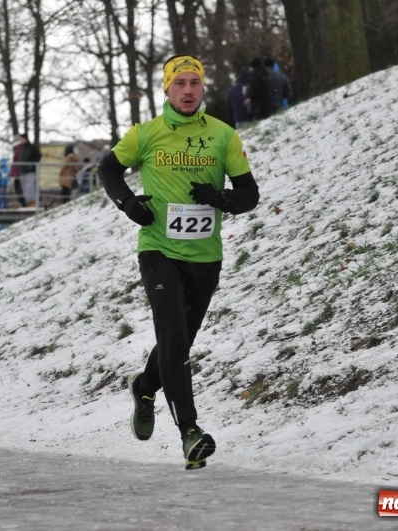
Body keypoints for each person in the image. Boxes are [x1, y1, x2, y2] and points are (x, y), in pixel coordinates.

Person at [98, 55, 259, 470]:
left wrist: (221, 198)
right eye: (179, 83)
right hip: (158, 250)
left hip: (206, 257)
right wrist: (128, 203)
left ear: (202, 88)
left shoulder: (223, 136)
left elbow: (249, 194)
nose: (188, 90)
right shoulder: (145, 134)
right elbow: (108, 169)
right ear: (167, 90)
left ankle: (145, 385)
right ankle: (190, 431)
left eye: (194, 83)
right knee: (172, 336)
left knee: (180, 342)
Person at [10, 133, 42, 208]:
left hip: (29, 171)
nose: (20, 141)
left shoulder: (31, 147)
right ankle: (27, 204)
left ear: (25, 139)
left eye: (21, 139)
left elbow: (38, 156)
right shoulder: (21, 148)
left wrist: (31, 165)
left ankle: (33, 204)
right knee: (24, 190)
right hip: (22, 171)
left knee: (30, 188)